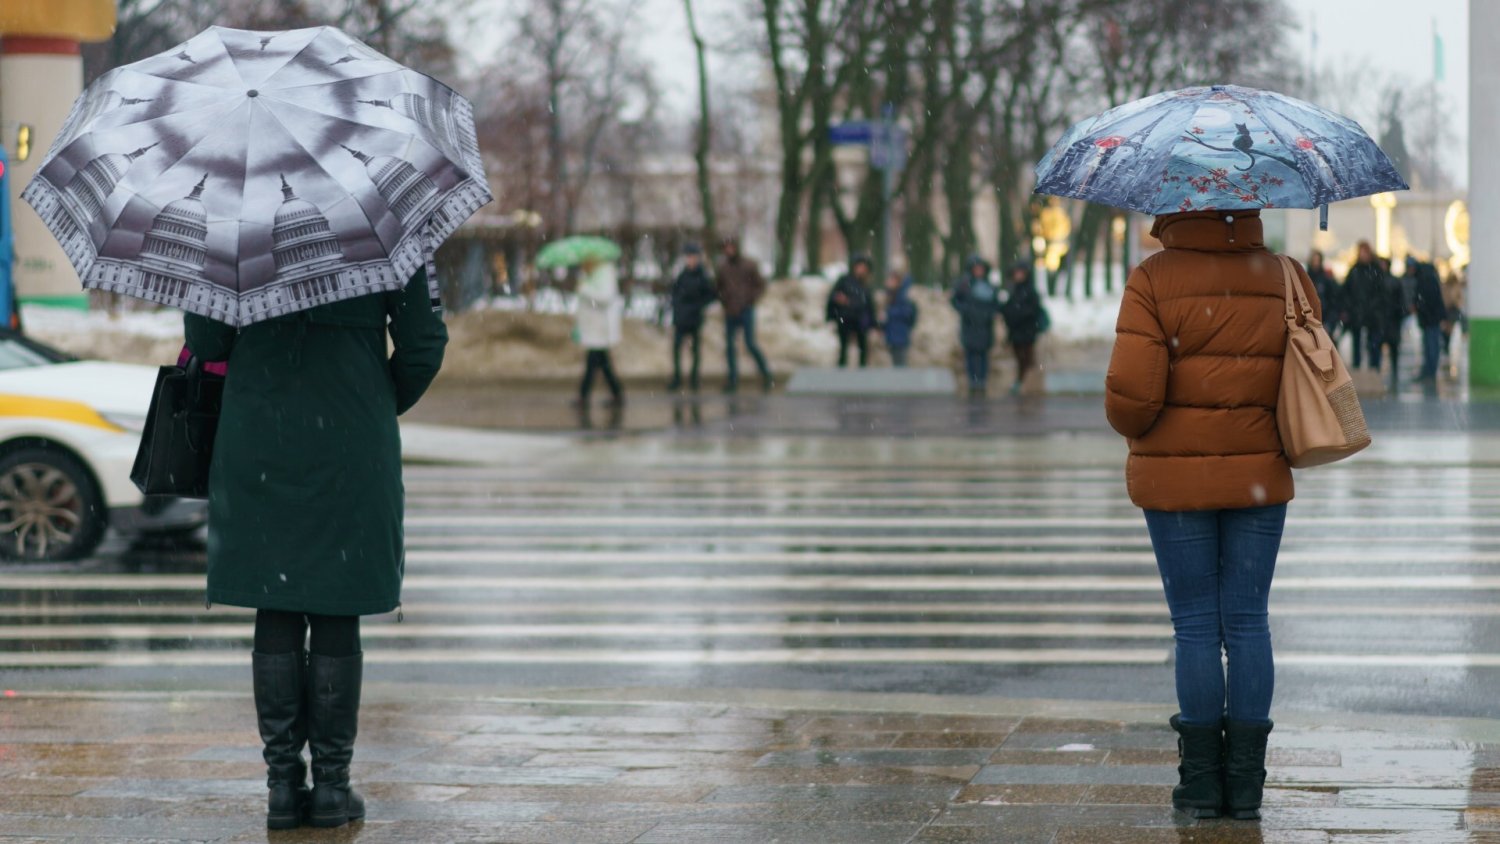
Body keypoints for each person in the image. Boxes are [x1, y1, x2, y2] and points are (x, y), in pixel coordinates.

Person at [184, 269, 447, 830]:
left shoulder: (235, 227)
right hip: (351, 438)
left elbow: (206, 342)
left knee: (274, 600)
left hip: (260, 435)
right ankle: (331, 786)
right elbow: (423, 345)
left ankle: (283, 786)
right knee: (336, 598)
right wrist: (371, 396)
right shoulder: (384, 230)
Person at [1105, 210, 1313, 822]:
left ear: (1172, 206)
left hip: (1175, 480)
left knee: (1195, 626)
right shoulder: (1285, 276)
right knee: (1248, 623)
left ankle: (1200, 784)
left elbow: (1133, 402)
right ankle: (1246, 786)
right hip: (1258, 476)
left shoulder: (1152, 279)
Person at [716, 237, 774, 393]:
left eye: (731, 247)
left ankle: (766, 374)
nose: (729, 250)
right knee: (730, 346)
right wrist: (724, 300)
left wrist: (750, 299)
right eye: (726, 248)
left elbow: (760, 285)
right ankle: (732, 379)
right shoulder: (723, 268)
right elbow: (718, 287)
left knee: (750, 343)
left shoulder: (749, 265)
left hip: (746, 309)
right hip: (730, 310)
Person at [666, 243, 717, 392]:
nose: (690, 260)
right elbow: (674, 292)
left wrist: (698, 305)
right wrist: (677, 305)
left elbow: (710, 294)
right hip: (681, 317)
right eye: (688, 257)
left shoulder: (703, 276)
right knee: (677, 349)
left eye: (693, 257)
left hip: (694, 317)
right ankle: (677, 378)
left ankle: (694, 379)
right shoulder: (682, 274)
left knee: (695, 351)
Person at [575, 256, 624, 405]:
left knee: (594, 362)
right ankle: (616, 393)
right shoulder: (589, 275)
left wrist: (585, 289)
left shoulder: (605, 275)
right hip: (592, 327)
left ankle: (584, 395)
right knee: (602, 362)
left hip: (601, 327)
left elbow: (605, 298)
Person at [951, 256, 1000, 395]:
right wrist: (967, 311)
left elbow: (995, 305)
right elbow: (955, 301)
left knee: (983, 355)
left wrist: (988, 314)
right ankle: (973, 381)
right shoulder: (965, 285)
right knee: (971, 354)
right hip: (970, 326)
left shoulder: (989, 287)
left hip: (984, 326)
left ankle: (982, 381)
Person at [999, 261, 1047, 395]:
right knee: (1020, 357)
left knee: (1027, 358)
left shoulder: (1030, 291)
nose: (1018, 276)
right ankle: (1024, 383)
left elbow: (1031, 310)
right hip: (1016, 331)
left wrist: (1016, 314)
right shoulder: (1014, 290)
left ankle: (1027, 383)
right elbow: (1008, 308)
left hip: (1027, 331)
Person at [1343, 241, 1388, 371]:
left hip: (1372, 316)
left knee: (1373, 346)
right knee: (1357, 346)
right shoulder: (1354, 271)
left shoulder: (1375, 270)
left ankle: (1374, 370)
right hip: (1357, 315)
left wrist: (1374, 308)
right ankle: (1358, 370)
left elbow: (1381, 292)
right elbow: (1347, 291)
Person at [827, 256, 877, 367]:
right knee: (843, 347)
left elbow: (869, 305)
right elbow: (834, 297)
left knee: (862, 348)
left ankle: (862, 372)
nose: (861, 270)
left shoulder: (865, 285)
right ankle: (842, 371)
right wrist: (832, 315)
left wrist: (873, 323)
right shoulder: (844, 281)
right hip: (845, 318)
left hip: (860, 321)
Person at [1410, 257, 1447, 382]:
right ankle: (1430, 371)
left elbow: (1426, 300)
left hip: (1429, 319)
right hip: (1431, 318)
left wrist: (1421, 309)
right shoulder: (1429, 278)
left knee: (1430, 345)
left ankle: (1430, 371)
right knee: (1431, 345)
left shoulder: (1424, 280)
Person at [1379, 256, 1409, 390]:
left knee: (1392, 348)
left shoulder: (1391, 282)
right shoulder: (1381, 281)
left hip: (1389, 321)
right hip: (1385, 321)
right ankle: (1382, 373)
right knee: (1385, 348)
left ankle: (1391, 373)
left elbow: (1400, 302)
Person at [880, 272, 919, 367]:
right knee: (896, 363)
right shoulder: (891, 296)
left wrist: (889, 314)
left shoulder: (902, 296)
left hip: (900, 336)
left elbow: (907, 313)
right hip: (893, 336)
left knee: (900, 364)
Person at [1306, 250, 1341, 341]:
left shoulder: (1326, 280)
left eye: (1317, 260)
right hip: (1308, 321)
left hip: (1324, 320)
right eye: (1314, 260)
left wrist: (1329, 323)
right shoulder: (1305, 278)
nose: (1316, 263)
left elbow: (1333, 301)